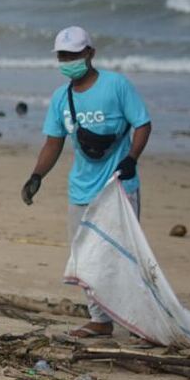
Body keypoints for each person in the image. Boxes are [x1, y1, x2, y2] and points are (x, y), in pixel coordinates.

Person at [22, 25, 152, 339]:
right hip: (80, 191)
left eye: (74, 54)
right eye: (63, 56)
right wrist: (36, 176)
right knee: (86, 258)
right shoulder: (60, 98)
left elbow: (142, 124)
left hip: (119, 188)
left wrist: (131, 159)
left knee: (124, 256)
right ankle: (100, 320)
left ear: (89, 53)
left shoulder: (116, 85)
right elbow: (53, 143)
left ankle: (143, 320)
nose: (68, 60)